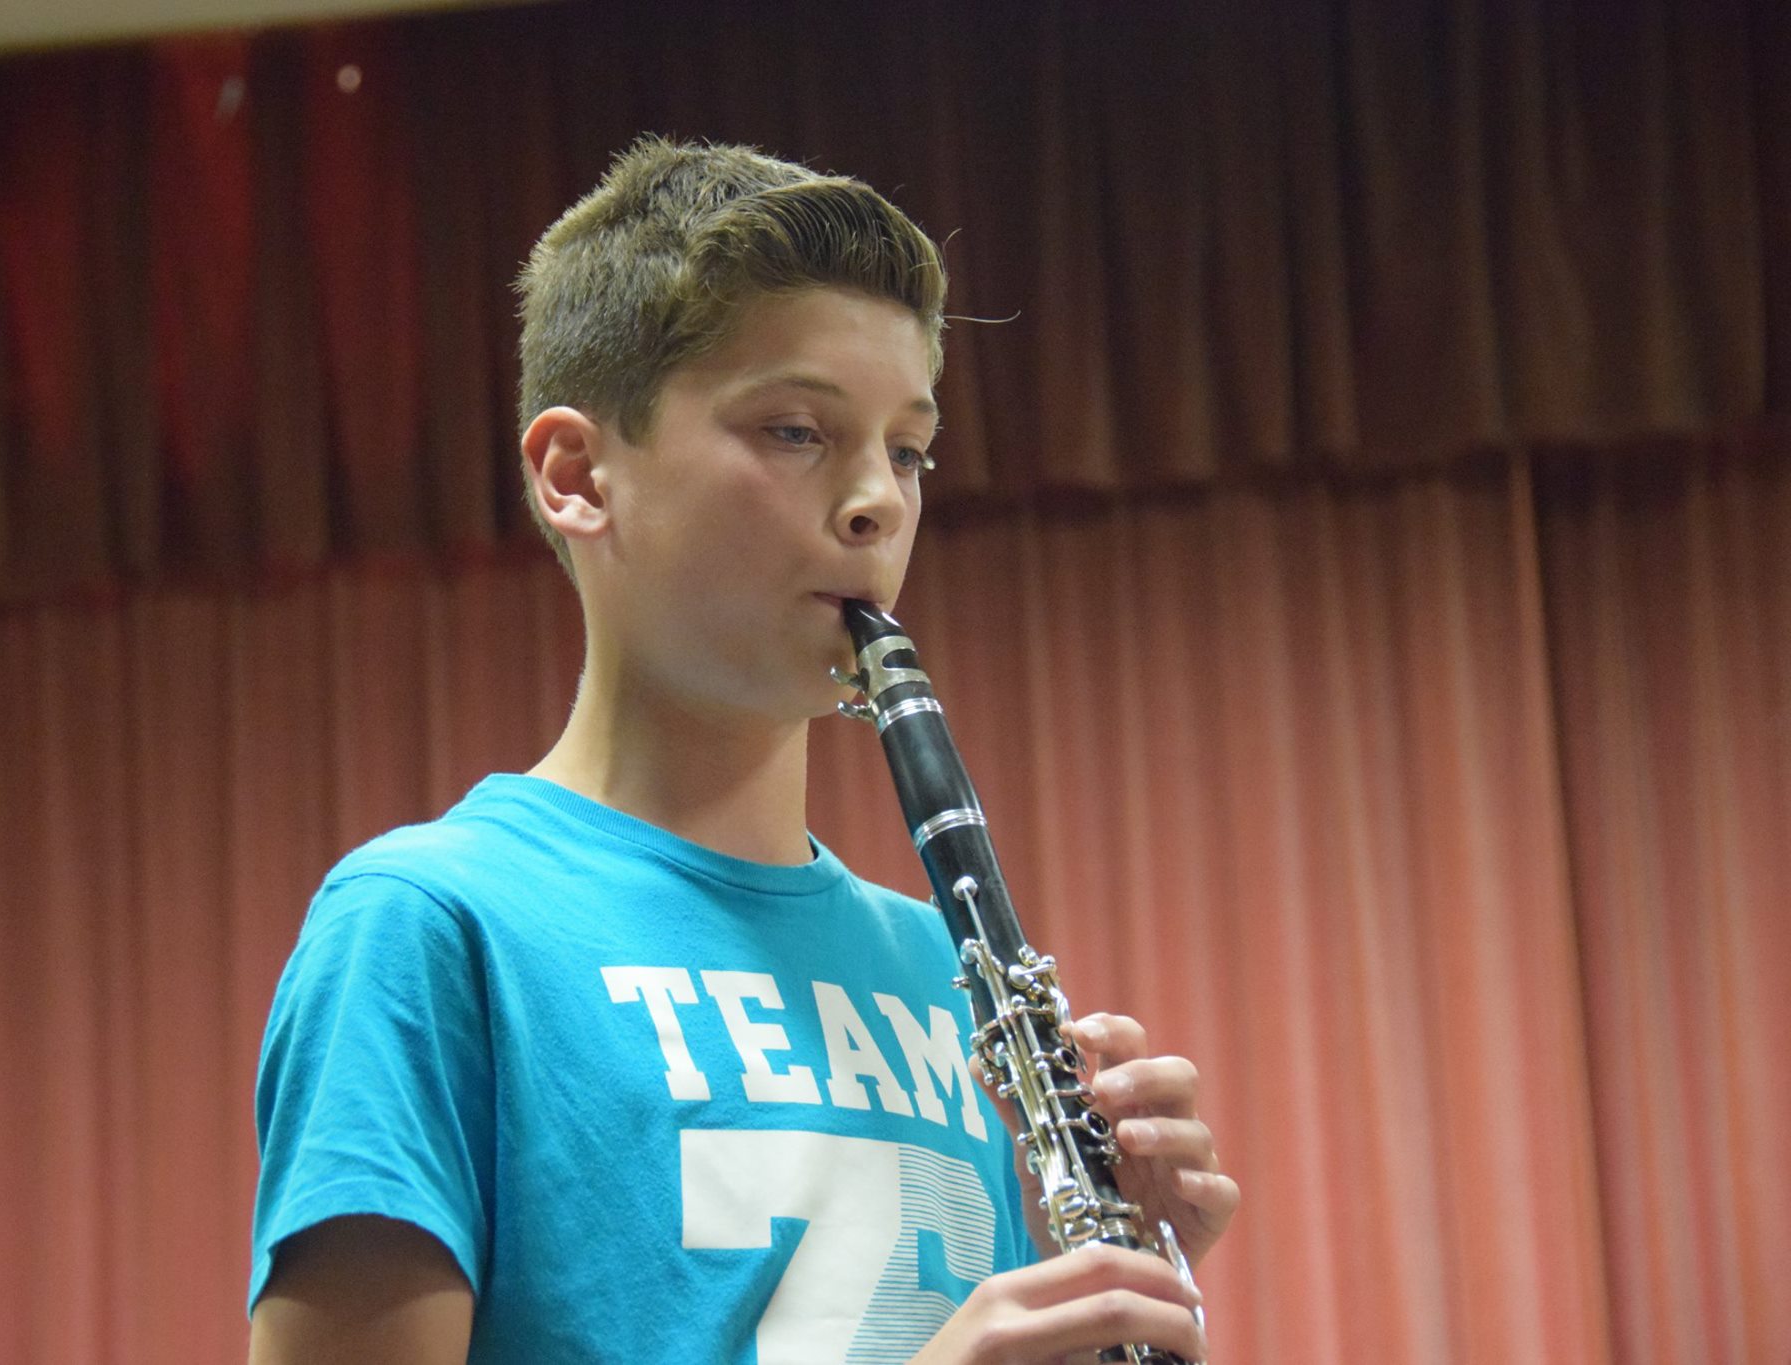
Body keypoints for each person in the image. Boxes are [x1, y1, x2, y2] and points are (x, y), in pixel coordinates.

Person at [246, 135, 1238, 1364]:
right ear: (577, 475)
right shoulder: (429, 926)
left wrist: (1098, 1284)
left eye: (908, 450)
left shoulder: (939, 967)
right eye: (794, 431)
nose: (876, 501)